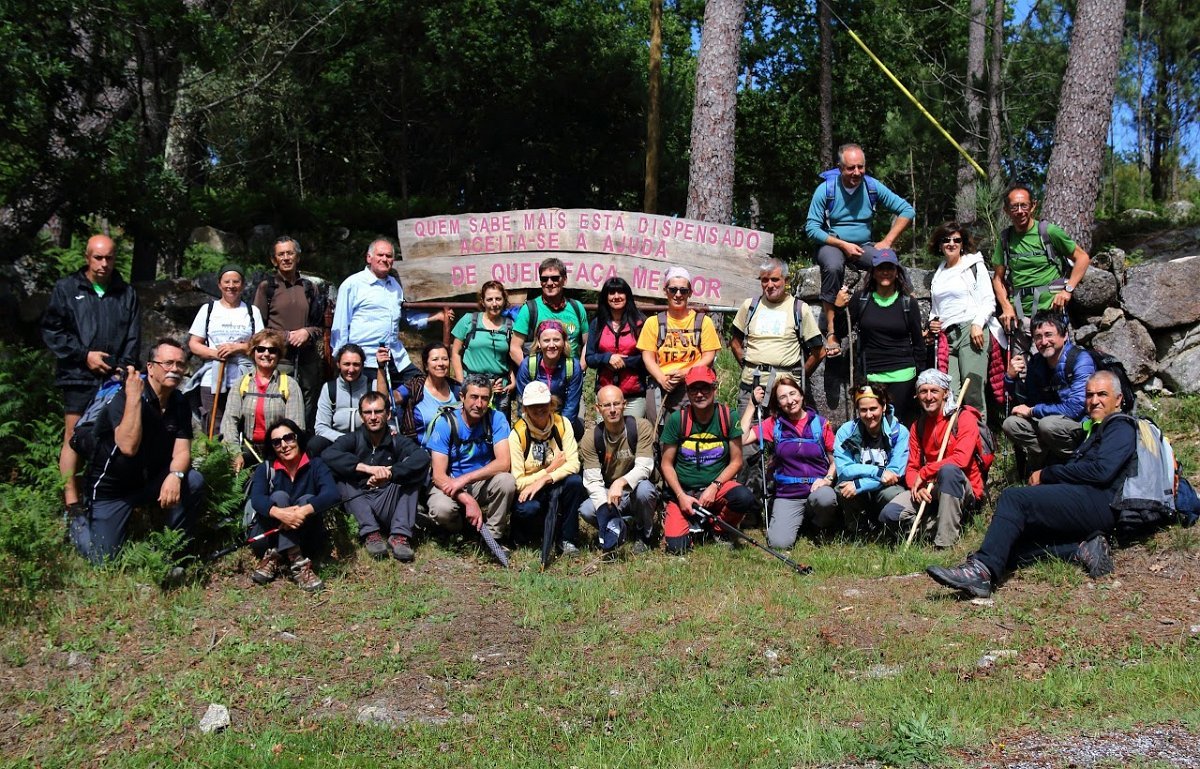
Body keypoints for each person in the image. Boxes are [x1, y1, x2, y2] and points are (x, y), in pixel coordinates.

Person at [927, 371, 1132, 598]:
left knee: (1013, 498)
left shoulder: (1120, 426)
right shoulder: (1096, 427)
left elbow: (1102, 472)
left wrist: (1047, 474)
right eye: (1089, 395)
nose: (1094, 401)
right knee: (1009, 544)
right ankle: (1080, 549)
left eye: (1102, 394)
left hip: (1103, 503)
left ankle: (981, 572)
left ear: (1119, 399)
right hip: (1089, 500)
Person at [71, 339, 204, 563]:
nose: (175, 369)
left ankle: (170, 549)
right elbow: (128, 447)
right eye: (168, 363)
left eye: (180, 365)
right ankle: (74, 521)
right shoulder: (123, 397)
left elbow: (182, 452)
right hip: (112, 489)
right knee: (103, 559)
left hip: (149, 480)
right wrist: (134, 398)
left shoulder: (179, 402)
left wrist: (175, 475)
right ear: (150, 367)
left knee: (193, 479)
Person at [42, 234, 141, 518]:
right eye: (98, 257)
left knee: (112, 437)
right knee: (73, 435)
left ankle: (104, 495)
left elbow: (134, 336)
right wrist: (84, 355)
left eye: (109, 257)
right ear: (87, 257)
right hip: (77, 374)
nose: (104, 263)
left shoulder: (126, 292)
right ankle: (71, 502)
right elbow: (53, 330)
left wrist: (123, 366)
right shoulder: (66, 288)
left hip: (113, 378)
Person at [805, 143, 915, 353]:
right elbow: (811, 228)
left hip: (863, 245)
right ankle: (831, 331)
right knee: (833, 266)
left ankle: (906, 318)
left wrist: (887, 242)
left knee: (889, 262)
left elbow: (907, 211)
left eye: (860, 167)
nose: (856, 173)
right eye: (850, 168)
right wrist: (842, 244)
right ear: (840, 168)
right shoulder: (826, 190)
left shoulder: (872, 187)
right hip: (833, 243)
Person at [330, 237, 451, 393]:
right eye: (380, 255)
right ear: (369, 257)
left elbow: (406, 318)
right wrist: (342, 359)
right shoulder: (352, 285)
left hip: (396, 356)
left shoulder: (394, 285)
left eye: (388, 256)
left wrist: (434, 317)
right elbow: (340, 324)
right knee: (374, 405)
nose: (384, 259)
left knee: (420, 387)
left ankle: (404, 415)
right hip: (367, 360)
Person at [322, 391, 431, 563]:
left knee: (414, 475)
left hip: (387, 499)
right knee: (340, 476)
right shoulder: (353, 438)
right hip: (358, 500)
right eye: (367, 412)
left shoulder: (397, 441)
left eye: (378, 412)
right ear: (361, 416)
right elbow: (328, 455)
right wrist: (367, 469)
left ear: (388, 414)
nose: (373, 417)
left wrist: (390, 473)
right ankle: (371, 533)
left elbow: (422, 457)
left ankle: (399, 536)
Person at [880, 370, 984, 548]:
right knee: (889, 515)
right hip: (930, 489)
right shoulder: (917, 426)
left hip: (961, 487)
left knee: (948, 471)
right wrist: (916, 486)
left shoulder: (964, 418)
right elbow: (912, 467)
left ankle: (944, 543)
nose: (928, 397)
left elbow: (961, 460)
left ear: (946, 394)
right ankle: (939, 524)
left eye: (934, 391)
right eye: (923, 391)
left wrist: (926, 471)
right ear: (917, 395)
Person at [659, 367, 756, 554]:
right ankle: (686, 519)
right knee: (677, 548)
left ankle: (718, 529)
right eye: (694, 389)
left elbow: (736, 461)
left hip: (716, 488)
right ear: (687, 392)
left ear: (714, 389)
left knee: (743, 497)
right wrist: (680, 496)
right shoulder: (677, 419)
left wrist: (714, 486)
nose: (700, 394)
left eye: (705, 388)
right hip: (683, 492)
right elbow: (666, 463)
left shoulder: (728, 416)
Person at [740, 374, 837, 549]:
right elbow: (741, 438)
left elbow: (835, 459)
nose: (790, 400)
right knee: (779, 543)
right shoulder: (774, 424)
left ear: (801, 395)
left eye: (793, 394)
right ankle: (799, 521)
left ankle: (818, 525)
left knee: (826, 499)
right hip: (788, 495)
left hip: (817, 490)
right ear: (778, 403)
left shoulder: (820, 424)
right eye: (783, 397)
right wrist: (751, 405)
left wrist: (827, 479)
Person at [425, 374, 517, 552]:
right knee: (441, 509)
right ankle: (463, 530)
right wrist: (466, 499)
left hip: (478, 482)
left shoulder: (496, 419)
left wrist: (466, 479)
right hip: (449, 482)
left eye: (484, 398)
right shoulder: (445, 423)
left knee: (506, 481)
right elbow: (438, 475)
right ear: (462, 397)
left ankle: (493, 536)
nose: (479, 404)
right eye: (474, 397)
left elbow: (504, 463)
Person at [247, 418, 338, 591]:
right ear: (272, 447)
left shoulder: (316, 465)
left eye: (288, 438)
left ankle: (275, 557)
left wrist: (303, 511)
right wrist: (280, 513)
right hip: (269, 535)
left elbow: (332, 494)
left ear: (297, 438)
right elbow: (257, 499)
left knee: (307, 498)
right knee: (280, 497)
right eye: (276, 442)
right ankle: (297, 562)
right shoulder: (266, 468)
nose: (284, 445)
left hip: (308, 536)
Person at [837, 249, 925, 424]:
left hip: (903, 375)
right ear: (873, 272)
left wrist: (921, 380)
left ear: (897, 271)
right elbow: (841, 331)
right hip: (871, 374)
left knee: (896, 425)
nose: (885, 272)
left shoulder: (908, 302)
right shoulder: (861, 299)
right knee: (872, 423)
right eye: (880, 268)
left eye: (890, 268)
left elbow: (918, 343)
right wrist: (839, 307)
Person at [991, 184, 1092, 332]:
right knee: (1019, 357)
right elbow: (998, 278)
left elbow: (1082, 257)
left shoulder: (1048, 232)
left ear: (1033, 206)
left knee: (1049, 353)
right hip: (1019, 317)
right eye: (1014, 207)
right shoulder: (1006, 238)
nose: (1020, 211)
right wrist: (1006, 307)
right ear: (1006, 210)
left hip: (1050, 313)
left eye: (1024, 205)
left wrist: (1067, 290)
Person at [730, 257, 824, 412]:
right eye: (764, 280)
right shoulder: (749, 306)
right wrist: (749, 366)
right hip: (750, 388)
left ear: (786, 280)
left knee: (783, 435)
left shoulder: (799, 309)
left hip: (785, 393)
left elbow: (819, 352)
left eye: (775, 279)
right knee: (746, 435)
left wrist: (798, 377)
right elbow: (734, 342)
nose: (769, 285)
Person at [1002, 310, 1092, 472]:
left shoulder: (1080, 359)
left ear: (1064, 335)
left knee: (1047, 424)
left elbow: (1076, 407)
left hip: (1079, 424)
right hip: (1049, 423)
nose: (1044, 341)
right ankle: (1043, 460)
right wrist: (1010, 378)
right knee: (1011, 424)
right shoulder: (1037, 362)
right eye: (1038, 337)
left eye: (1049, 334)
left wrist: (1033, 411)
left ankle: (1072, 463)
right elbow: (1027, 401)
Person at [252, 236, 326, 430]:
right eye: (281, 254)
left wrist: (307, 332)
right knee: (277, 403)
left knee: (307, 404)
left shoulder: (310, 288)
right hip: (278, 360)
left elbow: (319, 325)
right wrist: (286, 336)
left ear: (297, 257)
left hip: (307, 360)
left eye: (290, 253)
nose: (286, 258)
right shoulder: (267, 288)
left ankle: (301, 443)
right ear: (273, 260)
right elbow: (258, 328)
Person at [927, 222, 996, 417]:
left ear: (963, 244)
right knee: (950, 394)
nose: (951, 243)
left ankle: (981, 441)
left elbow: (989, 300)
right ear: (939, 245)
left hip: (971, 330)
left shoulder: (973, 265)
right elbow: (937, 308)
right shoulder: (939, 273)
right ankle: (955, 440)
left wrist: (977, 323)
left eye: (956, 240)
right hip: (946, 336)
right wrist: (932, 322)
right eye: (946, 240)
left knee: (973, 388)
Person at [509, 381, 586, 557]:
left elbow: (574, 464)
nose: (539, 409)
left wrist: (545, 478)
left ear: (551, 403)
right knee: (527, 508)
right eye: (533, 405)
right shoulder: (517, 434)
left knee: (575, 482)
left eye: (543, 404)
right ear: (525, 408)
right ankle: (531, 535)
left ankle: (567, 538)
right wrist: (550, 468)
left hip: (553, 483)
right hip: (530, 491)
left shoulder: (562, 424)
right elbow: (519, 482)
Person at [579, 385, 658, 556]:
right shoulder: (590, 438)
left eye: (616, 404)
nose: (612, 410)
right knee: (587, 509)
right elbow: (592, 481)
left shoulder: (641, 427)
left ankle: (643, 534)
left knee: (645, 490)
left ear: (624, 404)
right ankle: (615, 527)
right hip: (609, 494)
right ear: (598, 409)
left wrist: (621, 482)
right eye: (607, 405)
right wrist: (605, 510)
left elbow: (645, 467)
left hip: (634, 490)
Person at [637, 267, 721, 423]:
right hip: (661, 385)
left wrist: (685, 373)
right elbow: (647, 357)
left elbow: (709, 356)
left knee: (694, 432)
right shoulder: (653, 323)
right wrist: (662, 379)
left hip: (695, 386)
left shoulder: (703, 322)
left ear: (690, 293)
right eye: (673, 289)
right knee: (662, 435)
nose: (678, 295)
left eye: (683, 290)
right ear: (665, 291)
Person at [186, 263, 263, 432]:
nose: (231, 286)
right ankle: (215, 457)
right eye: (227, 282)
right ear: (219, 284)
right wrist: (215, 353)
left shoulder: (252, 312)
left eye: (236, 282)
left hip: (243, 377)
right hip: (212, 377)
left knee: (241, 424)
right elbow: (194, 343)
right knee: (213, 423)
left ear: (242, 285)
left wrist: (238, 348)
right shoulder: (208, 310)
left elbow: (261, 343)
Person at [220, 329, 306, 472]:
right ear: (253, 353)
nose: (266, 354)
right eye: (261, 349)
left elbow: (296, 426)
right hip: (247, 451)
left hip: (279, 451)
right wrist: (235, 453)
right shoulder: (241, 383)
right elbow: (230, 422)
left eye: (272, 350)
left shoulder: (289, 385)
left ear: (279, 355)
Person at [832, 384, 910, 537]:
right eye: (863, 410)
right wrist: (878, 472)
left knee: (892, 494)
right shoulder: (846, 431)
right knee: (844, 488)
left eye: (873, 409)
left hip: (885, 488)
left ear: (884, 406)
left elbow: (895, 473)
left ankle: (888, 528)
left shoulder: (899, 432)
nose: (868, 415)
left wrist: (861, 484)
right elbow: (844, 469)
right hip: (860, 489)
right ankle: (858, 530)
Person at [586, 277, 649, 418]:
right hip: (606, 394)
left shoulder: (640, 323)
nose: (616, 297)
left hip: (634, 395)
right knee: (606, 437)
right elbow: (589, 358)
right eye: (611, 293)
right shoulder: (597, 323)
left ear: (627, 295)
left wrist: (624, 362)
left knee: (633, 435)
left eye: (620, 292)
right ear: (605, 297)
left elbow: (649, 358)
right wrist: (607, 358)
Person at [509, 257, 588, 367]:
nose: (549, 283)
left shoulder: (577, 308)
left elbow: (587, 344)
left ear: (564, 279)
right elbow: (514, 348)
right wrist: (530, 373)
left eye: (555, 278)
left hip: (570, 378)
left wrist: (580, 370)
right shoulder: (529, 309)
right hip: (538, 377)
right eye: (544, 279)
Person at [451, 280, 515, 413]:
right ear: (483, 301)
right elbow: (455, 353)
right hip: (472, 386)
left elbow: (510, 356)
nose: (494, 303)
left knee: (499, 428)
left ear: (504, 300)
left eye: (498, 299)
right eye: (490, 299)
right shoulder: (469, 320)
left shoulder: (510, 325)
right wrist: (461, 382)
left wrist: (512, 382)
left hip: (499, 387)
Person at [515, 320, 584, 438]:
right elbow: (522, 402)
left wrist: (558, 433)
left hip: (560, 418)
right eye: (546, 340)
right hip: (534, 418)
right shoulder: (528, 365)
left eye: (556, 340)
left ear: (564, 342)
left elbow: (571, 406)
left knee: (577, 430)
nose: (551, 345)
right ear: (538, 343)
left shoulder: (573, 367)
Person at [309, 344, 377, 456]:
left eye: (356, 365)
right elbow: (321, 427)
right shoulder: (330, 388)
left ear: (362, 366)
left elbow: (386, 417)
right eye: (347, 364)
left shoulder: (372, 386)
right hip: (337, 440)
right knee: (315, 444)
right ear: (338, 364)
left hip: (367, 441)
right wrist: (345, 439)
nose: (351, 369)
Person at [403, 342, 461, 445]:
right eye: (435, 359)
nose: (441, 363)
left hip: (453, 452)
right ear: (426, 365)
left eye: (445, 359)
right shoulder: (415, 386)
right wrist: (381, 367)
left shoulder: (457, 389)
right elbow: (386, 400)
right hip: (423, 454)